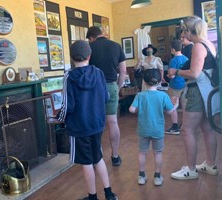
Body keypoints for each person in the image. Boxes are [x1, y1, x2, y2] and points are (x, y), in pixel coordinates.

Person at [57, 40, 118, 200]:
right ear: (89, 56)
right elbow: (106, 97)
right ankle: (109, 194)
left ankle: (92, 197)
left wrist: (60, 119)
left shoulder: (68, 77)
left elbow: (67, 106)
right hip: (97, 125)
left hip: (79, 127)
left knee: (86, 162)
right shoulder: (99, 73)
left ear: (72, 57)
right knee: (98, 158)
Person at [169, 16, 219, 180]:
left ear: (190, 31)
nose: (183, 35)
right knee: (207, 129)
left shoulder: (198, 46)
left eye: (184, 31)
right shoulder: (209, 44)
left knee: (187, 129)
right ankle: (210, 164)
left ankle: (190, 169)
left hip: (198, 91)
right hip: (209, 92)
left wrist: (175, 71)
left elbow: (194, 74)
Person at [129, 69, 179, 186]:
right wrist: (176, 105)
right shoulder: (163, 95)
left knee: (142, 153)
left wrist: (137, 109)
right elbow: (169, 111)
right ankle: (157, 177)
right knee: (158, 153)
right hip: (158, 130)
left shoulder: (140, 95)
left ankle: (141, 176)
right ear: (159, 82)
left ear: (144, 82)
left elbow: (131, 109)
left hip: (143, 129)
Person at [86, 26, 127, 166]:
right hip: (111, 86)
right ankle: (115, 156)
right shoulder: (116, 46)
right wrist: (118, 86)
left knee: (96, 123)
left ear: (91, 37)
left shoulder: (90, 47)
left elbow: (85, 70)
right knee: (113, 122)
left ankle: (96, 157)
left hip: (94, 88)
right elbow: (123, 71)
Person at [165, 39, 188, 135]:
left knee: (173, 106)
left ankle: (175, 127)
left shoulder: (173, 61)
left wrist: (168, 76)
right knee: (184, 107)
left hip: (175, 86)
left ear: (173, 49)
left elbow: (172, 75)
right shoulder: (186, 59)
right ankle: (185, 126)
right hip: (185, 85)